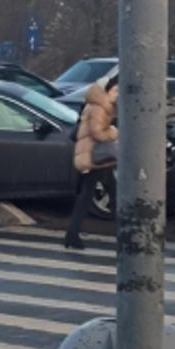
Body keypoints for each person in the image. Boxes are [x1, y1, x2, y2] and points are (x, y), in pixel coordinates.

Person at [66, 78, 119, 249]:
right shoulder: (99, 106)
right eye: (115, 91)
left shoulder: (101, 104)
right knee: (87, 196)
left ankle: (124, 232)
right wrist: (113, 132)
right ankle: (72, 236)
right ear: (108, 90)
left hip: (98, 155)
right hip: (93, 155)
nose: (117, 95)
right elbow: (97, 133)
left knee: (112, 192)